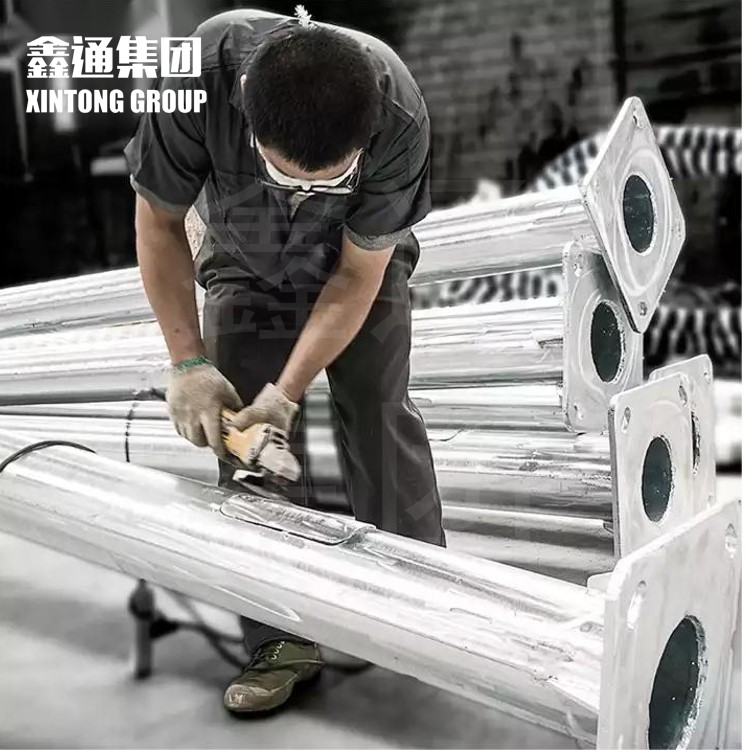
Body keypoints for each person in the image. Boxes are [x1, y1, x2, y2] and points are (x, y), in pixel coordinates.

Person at [125, 6, 444, 715]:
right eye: (287, 176)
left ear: (365, 140)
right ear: (247, 123)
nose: (305, 195)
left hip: (356, 261)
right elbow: (158, 220)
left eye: (328, 181)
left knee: (379, 410)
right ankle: (280, 638)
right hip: (243, 257)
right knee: (244, 441)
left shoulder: (398, 114)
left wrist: (289, 392)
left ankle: (424, 606)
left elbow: (357, 276)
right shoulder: (199, 75)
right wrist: (187, 364)